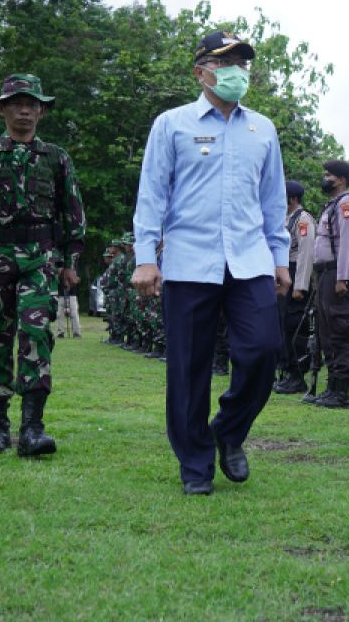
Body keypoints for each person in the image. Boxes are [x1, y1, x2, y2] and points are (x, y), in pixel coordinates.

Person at [130, 30, 290, 496]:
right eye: (225, 63)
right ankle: (195, 466)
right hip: (187, 263)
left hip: (250, 260)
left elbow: (272, 200)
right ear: (200, 72)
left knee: (262, 350)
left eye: (242, 62)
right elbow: (152, 194)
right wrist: (145, 257)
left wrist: (280, 258)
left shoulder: (263, 129)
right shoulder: (171, 124)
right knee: (188, 369)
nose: (237, 71)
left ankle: (228, 430)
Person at [0, 73, 86, 458]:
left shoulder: (56, 157)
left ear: (41, 111)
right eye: (15, 104)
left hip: (40, 260)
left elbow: (73, 214)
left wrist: (70, 262)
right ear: (2, 109)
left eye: (31, 104)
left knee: (36, 335)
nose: (23, 110)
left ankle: (32, 429)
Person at [309, 159, 349, 409]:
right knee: (326, 332)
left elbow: (347, 246)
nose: (324, 178)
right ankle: (331, 387)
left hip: (337, 276)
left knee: (340, 331)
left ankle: (341, 391)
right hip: (326, 275)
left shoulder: (346, 205)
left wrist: (343, 278)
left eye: (328, 175)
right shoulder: (332, 206)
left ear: (341, 179)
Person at [275, 180, 316, 394]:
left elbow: (306, 254)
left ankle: (298, 375)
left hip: (295, 274)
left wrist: (300, 286)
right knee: (282, 325)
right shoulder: (286, 219)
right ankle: (287, 371)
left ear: (292, 198)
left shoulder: (303, 219)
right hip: (284, 274)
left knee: (294, 328)